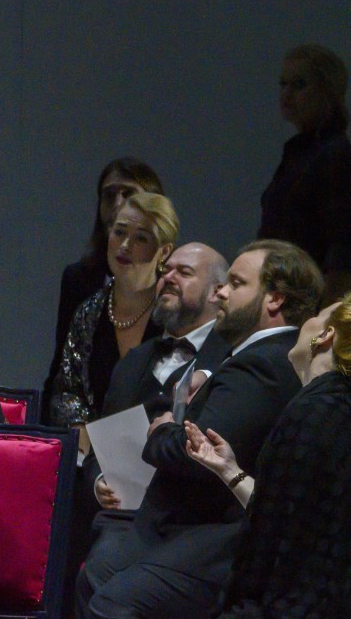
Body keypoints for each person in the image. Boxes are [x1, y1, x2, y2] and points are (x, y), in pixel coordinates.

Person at [77, 239, 323, 619]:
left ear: (274, 299)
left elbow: (199, 452)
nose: (222, 292)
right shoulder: (253, 358)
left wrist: (161, 430)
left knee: (114, 602)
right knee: (97, 571)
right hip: (177, 521)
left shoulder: (262, 364)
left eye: (237, 284)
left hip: (212, 534)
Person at [184, 297, 351, 618]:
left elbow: (279, 558)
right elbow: (295, 516)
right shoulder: (333, 406)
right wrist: (230, 470)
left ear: (326, 337)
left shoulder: (316, 411)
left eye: (316, 316)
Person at [85, 242, 231, 511]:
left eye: (184, 272)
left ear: (217, 292)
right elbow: (101, 447)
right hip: (118, 519)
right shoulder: (132, 360)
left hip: (186, 521)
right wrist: (99, 482)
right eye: (166, 270)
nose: (168, 278)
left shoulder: (229, 359)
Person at [43, 158, 164, 418]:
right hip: (88, 442)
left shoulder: (173, 299)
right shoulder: (85, 295)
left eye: (129, 194)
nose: (118, 204)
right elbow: (64, 380)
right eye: (109, 196)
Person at [259, 43, 351, 301]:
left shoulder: (334, 154)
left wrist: (327, 319)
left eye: (299, 85)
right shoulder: (301, 152)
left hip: (307, 303)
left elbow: (342, 248)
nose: (286, 94)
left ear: (327, 91)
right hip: (282, 295)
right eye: (283, 84)